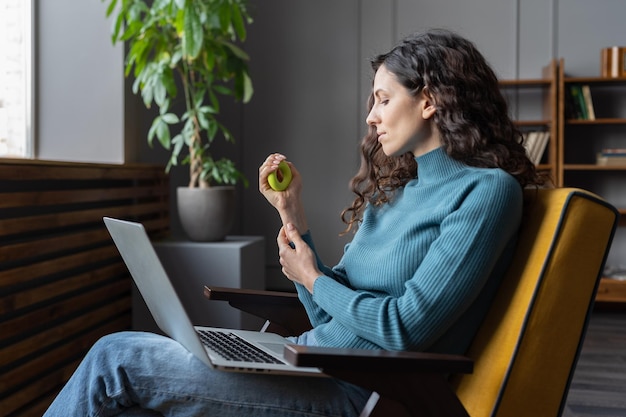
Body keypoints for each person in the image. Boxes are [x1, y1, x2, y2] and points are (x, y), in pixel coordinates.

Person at [43, 28, 544, 416]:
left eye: (384, 99)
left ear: (431, 100)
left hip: (348, 391)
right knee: (128, 377)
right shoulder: (401, 192)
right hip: (302, 360)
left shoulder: (486, 193)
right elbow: (329, 316)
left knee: (117, 358)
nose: (371, 116)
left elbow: (404, 329)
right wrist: (293, 218)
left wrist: (311, 277)